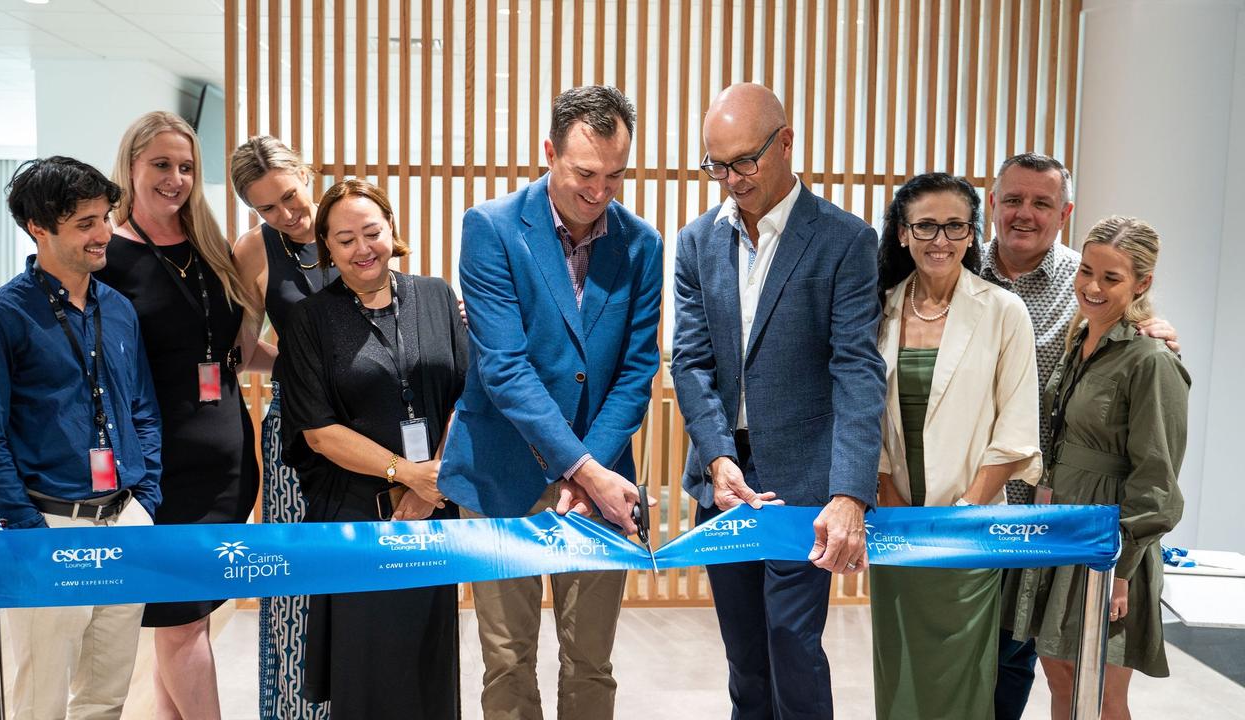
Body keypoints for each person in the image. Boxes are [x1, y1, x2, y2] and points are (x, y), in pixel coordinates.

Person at [437, 84, 662, 720]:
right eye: (585, 174)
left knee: (590, 658)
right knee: (507, 657)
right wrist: (581, 469)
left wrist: (590, 472)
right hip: (502, 470)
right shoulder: (493, 228)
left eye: (616, 176)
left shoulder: (641, 244)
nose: (600, 193)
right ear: (549, 152)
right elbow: (504, 368)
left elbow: (637, 369)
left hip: (600, 477)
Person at [670, 82, 886, 719]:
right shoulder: (696, 242)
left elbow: (857, 370)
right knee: (743, 654)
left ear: (786, 143)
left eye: (745, 160)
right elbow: (690, 360)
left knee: (793, 643)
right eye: (717, 164)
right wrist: (714, 458)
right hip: (724, 479)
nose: (731, 178)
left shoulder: (844, 239)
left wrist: (849, 491)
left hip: (803, 479)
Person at [983, 153, 1180, 719]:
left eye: (1112, 278)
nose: (1093, 286)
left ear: (1141, 283)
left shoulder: (1150, 358)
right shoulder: (1077, 344)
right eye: (1087, 273)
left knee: (1104, 692)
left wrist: (1121, 569)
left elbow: (1157, 479)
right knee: (1063, 681)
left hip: (1108, 537)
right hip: (1057, 526)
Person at [0, 157, 161, 719]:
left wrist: (143, 500)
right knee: (40, 696)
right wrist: (28, 535)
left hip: (123, 520)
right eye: (84, 223)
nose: (103, 234)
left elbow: (141, 409)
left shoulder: (118, 310)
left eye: (104, 218)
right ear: (39, 228)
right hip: (48, 525)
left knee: (107, 692)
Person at [97, 111, 269, 719]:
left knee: (186, 622)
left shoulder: (208, 250)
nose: (176, 179)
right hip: (157, 470)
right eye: (162, 165)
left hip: (225, 463)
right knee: (180, 626)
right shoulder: (107, 255)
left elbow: (238, 354)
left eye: (187, 167)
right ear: (131, 169)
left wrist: (321, 371)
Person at [278, 179, 467, 719]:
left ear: (391, 231)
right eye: (344, 239)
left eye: (372, 232)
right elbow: (317, 430)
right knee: (368, 670)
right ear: (327, 248)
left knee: (427, 666)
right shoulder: (310, 320)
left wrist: (431, 483)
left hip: (433, 510)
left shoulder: (433, 295)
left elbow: (467, 394)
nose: (362, 249)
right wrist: (408, 473)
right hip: (358, 516)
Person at [869, 172, 1041, 719]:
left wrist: (965, 511)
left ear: (972, 235)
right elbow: (861, 416)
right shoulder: (878, 309)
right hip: (897, 521)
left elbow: (1016, 428)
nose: (939, 240)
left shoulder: (1003, 311)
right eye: (925, 226)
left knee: (960, 671)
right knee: (900, 667)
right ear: (902, 233)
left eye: (954, 227)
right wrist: (891, 500)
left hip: (972, 525)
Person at [229, 135, 330, 720]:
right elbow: (242, 347)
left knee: (363, 573)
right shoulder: (254, 249)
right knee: (293, 577)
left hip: (369, 429)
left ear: (306, 174)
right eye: (268, 207)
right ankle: (294, 710)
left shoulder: (351, 218)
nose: (286, 214)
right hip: (292, 427)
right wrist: (295, 365)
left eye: (290, 196)